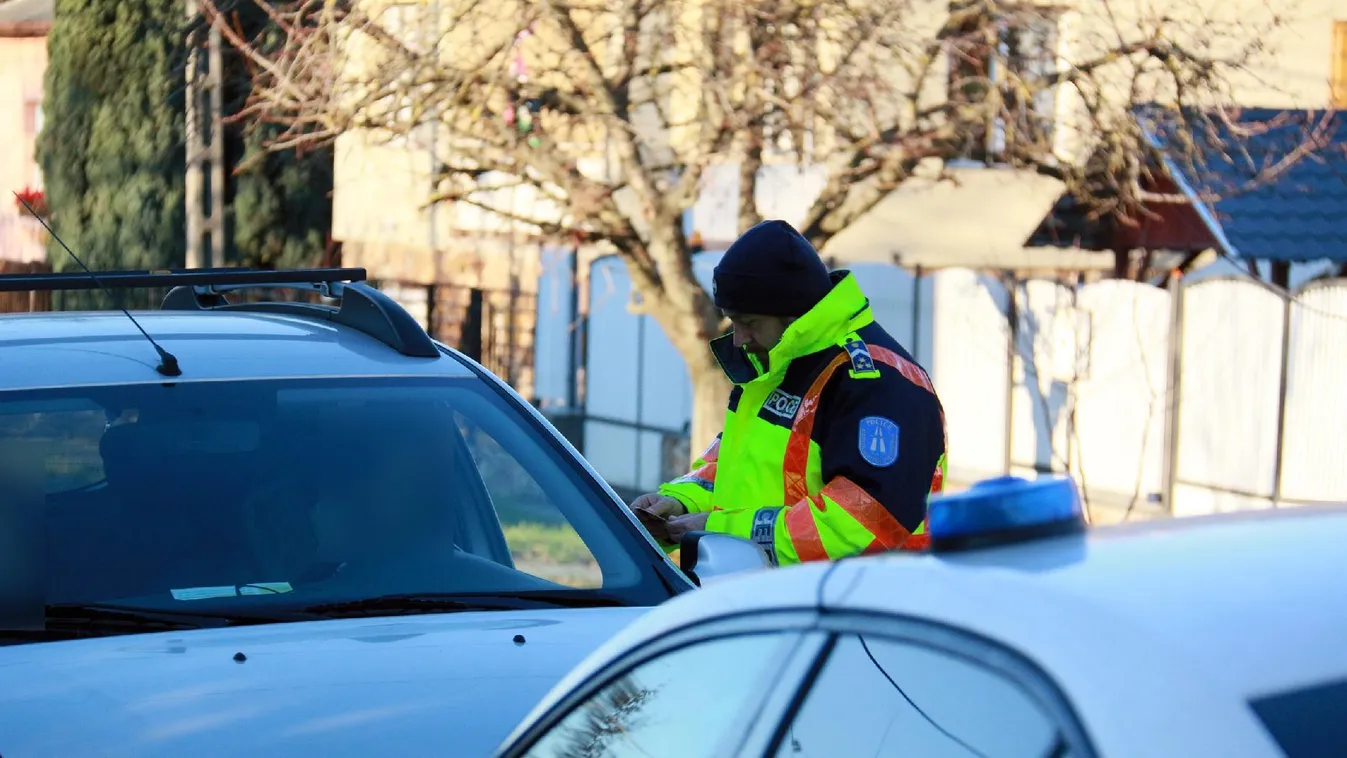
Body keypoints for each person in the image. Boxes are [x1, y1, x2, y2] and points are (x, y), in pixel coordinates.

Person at [631, 219, 948, 566]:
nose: (739, 339)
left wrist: (719, 530)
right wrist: (678, 503)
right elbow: (735, 468)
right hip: (778, 600)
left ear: (793, 311)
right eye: (732, 321)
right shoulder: (781, 361)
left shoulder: (876, 382)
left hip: (853, 610)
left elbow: (860, 524)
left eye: (749, 322)